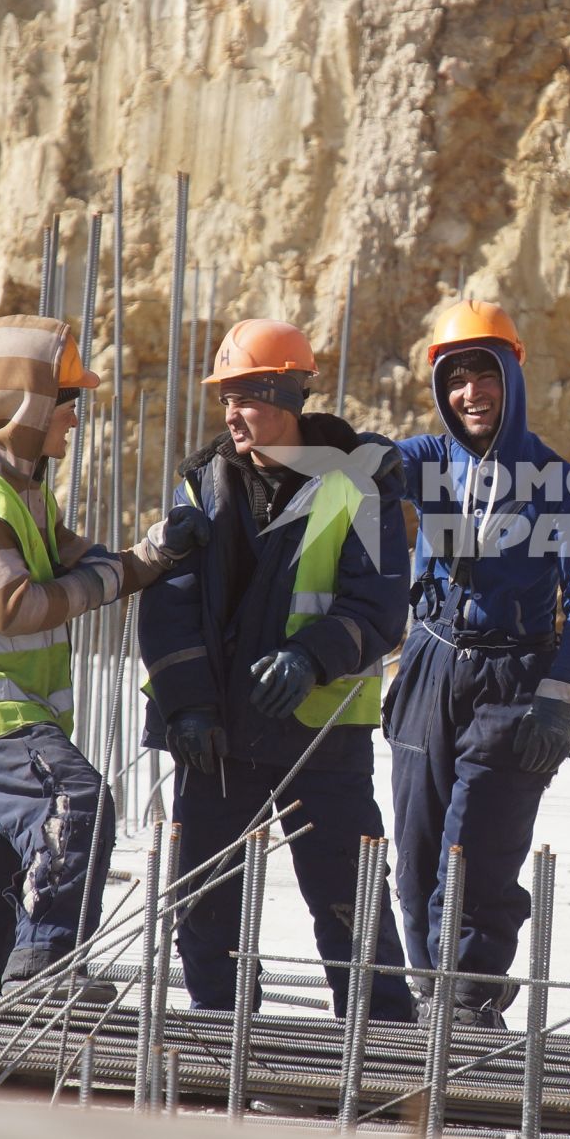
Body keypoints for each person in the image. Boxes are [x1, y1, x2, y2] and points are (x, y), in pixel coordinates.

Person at [0, 315, 208, 996]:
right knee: (76, 805)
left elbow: (97, 565)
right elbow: (12, 607)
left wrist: (158, 550)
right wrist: (111, 576)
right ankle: (46, 969)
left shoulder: (25, 494)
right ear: (27, 403)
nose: (75, 418)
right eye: (67, 401)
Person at [137, 317, 416, 1022]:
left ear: (289, 396)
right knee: (204, 909)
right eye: (225, 398)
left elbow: (378, 604)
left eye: (248, 396)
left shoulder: (360, 485)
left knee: (350, 906)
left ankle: (380, 1050)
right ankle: (222, 1050)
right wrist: (187, 705)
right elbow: (169, 607)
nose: (232, 413)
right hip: (220, 735)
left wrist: (310, 654)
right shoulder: (202, 489)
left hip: (320, 738)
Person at [387, 299, 570, 1028]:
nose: (471, 393)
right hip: (429, 667)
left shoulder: (557, 481)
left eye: (486, 375)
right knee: (417, 852)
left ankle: (471, 999)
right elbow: (368, 458)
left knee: (476, 850)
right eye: (456, 378)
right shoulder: (427, 462)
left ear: (513, 378)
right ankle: (429, 999)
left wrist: (557, 694)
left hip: (512, 684)